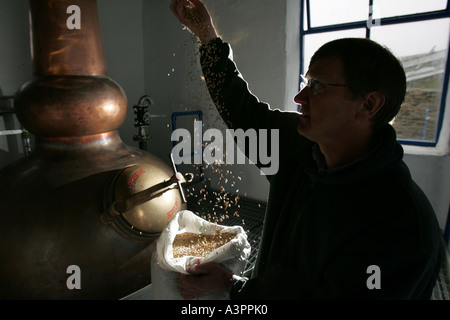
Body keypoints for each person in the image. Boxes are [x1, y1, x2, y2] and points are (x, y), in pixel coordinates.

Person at [170, 0, 443, 299]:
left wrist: (230, 285)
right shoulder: (298, 148)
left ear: (368, 104)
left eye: (317, 86)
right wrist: (207, 36)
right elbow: (240, 108)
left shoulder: (400, 226)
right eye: (306, 82)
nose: (300, 97)